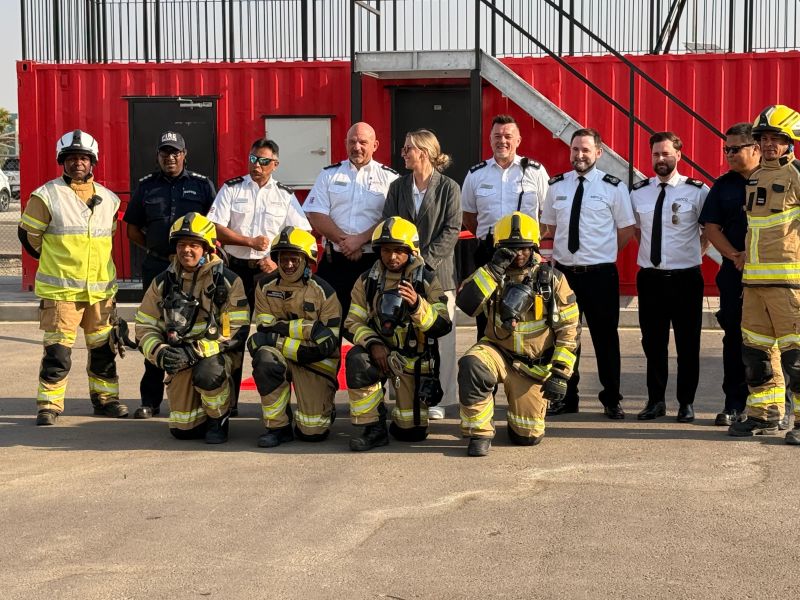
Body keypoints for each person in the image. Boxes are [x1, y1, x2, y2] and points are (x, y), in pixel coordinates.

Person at [19, 129, 129, 425]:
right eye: (71, 158)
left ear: (92, 161)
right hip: (62, 293)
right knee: (58, 353)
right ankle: (49, 405)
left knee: (104, 350)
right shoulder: (46, 196)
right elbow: (28, 237)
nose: (77, 162)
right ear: (62, 161)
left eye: (83, 157)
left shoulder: (109, 199)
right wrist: (55, 262)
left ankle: (106, 400)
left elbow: (107, 239)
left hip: (100, 294)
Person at [456, 212, 580, 456]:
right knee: (472, 364)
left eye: (524, 248)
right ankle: (479, 433)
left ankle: (518, 421)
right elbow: (467, 304)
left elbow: (570, 329)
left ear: (534, 247)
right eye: (511, 249)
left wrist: (560, 373)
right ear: (499, 248)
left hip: (532, 365)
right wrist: (493, 270)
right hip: (497, 351)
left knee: (526, 437)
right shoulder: (491, 273)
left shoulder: (553, 279)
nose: (519, 254)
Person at [208, 138, 312, 411]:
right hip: (235, 272)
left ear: (275, 164)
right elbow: (214, 227)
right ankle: (228, 404)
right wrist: (249, 242)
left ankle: (278, 405)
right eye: (253, 159)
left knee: (274, 336)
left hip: (269, 276)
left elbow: (302, 233)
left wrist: (277, 262)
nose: (257, 165)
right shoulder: (232, 188)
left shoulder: (284, 195)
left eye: (264, 161)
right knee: (230, 337)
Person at [540, 128, 635, 419]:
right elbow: (550, 227)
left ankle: (611, 399)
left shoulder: (613, 187)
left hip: (600, 275)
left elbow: (626, 230)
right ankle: (567, 397)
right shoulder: (557, 186)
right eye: (575, 149)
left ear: (598, 153)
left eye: (585, 150)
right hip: (565, 277)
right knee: (565, 338)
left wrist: (602, 253)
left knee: (606, 339)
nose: (579, 155)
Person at [124, 131, 216, 420]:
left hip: (194, 271)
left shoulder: (202, 185)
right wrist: (157, 252)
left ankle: (200, 398)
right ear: (158, 156)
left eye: (175, 152)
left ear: (184, 155)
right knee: (155, 328)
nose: (170, 157)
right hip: (158, 267)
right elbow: (132, 229)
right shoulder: (146, 187)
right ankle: (150, 401)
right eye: (165, 152)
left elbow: (214, 226)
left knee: (195, 329)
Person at [134, 213, 249, 444]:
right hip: (178, 353)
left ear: (207, 248)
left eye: (193, 245)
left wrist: (195, 351)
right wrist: (160, 352)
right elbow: (144, 325)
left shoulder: (227, 281)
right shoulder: (163, 282)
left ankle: (218, 420)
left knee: (208, 373)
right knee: (183, 430)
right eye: (181, 244)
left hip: (216, 354)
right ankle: (198, 417)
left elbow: (236, 330)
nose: (186, 250)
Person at [344, 217, 452, 451]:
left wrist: (417, 306)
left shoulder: (426, 280)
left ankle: (401, 420)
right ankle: (373, 428)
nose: (391, 257)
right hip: (378, 354)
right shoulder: (367, 281)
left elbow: (443, 324)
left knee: (411, 434)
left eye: (398, 250)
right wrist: (373, 344)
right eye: (385, 250)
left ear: (411, 251)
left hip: (412, 361)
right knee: (357, 359)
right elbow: (352, 321)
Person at [729, 105, 800, 442]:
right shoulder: (756, 177)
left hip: (790, 285)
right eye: (764, 138)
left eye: (776, 138)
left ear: (790, 141)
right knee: (756, 356)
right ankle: (765, 415)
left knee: (796, 359)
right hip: (755, 283)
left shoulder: (797, 174)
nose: (769, 144)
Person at [381, 129, 461, 420]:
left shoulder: (449, 187)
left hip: (439, 275)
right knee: (404, 337)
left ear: (424, 153)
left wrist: (423, 263)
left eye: (408, 149)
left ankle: (440, 398)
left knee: (441, 339)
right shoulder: (397, 187)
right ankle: (404, 395)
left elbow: (452, 229)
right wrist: (404, 262)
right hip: (401, 275)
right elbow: (389, 223)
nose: (402, 154)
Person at [630, 131, 709, 423]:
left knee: (688, 344)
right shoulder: (638, 191)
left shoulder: (697, 191)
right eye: (655, 154)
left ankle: (686, 403)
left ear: (679, 155)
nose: (660, 159)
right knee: (653, 344)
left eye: (665, 154)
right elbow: (636, 230)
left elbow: (709, 230)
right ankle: (656, 401)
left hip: (686, 278)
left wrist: (694, 253)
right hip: (651, 279)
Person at [247, 227, 341, 448]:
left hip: (316, 362)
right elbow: (264, 326)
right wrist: (310, 329)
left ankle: (324, 409)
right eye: (283, 259)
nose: (288, 264)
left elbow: (327, 343)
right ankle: (277, 427)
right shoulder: (264, 286)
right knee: (265, 359)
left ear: (307, 260)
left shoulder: (324, 292)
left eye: (294, 259)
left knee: (312, 432)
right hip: (283, 354)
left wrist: (277, 337)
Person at [461, 114, 549, 341]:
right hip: (489, 253)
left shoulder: (535, 172)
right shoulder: (476, 174)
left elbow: (547, 215)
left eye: (508, 136)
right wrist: (491, 239)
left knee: (528, 314)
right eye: (497, 136)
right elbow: (468, 216)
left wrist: (532, 240)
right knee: (486, 315)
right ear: (490, 139)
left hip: (526, 254)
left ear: (518, 140)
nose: (503, 141)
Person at [698, 123, 761, 426]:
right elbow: (711, 227)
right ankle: (734, 404)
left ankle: (778, 407)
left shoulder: (782, 178)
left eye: (735, 149)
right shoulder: (724, 185)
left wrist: (754, 254)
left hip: (774, 277)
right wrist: (735, 255)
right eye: (727, 149)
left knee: (778, 343)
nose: (729, 154)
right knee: (734, 339)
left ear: (755, 148)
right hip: (735, 274)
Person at [304, 122, 399, 318]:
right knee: (329, 321)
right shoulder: (328, 175)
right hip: (335, 262)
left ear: (375, 145)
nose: (357, 147)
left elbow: (391, 219)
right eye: (352, 142)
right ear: (345, 143)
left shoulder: (390, 179)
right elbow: (316, 214)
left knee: (372, 320)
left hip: (374, 263)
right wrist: (346, 242)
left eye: (363, 142)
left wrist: (360, 240)